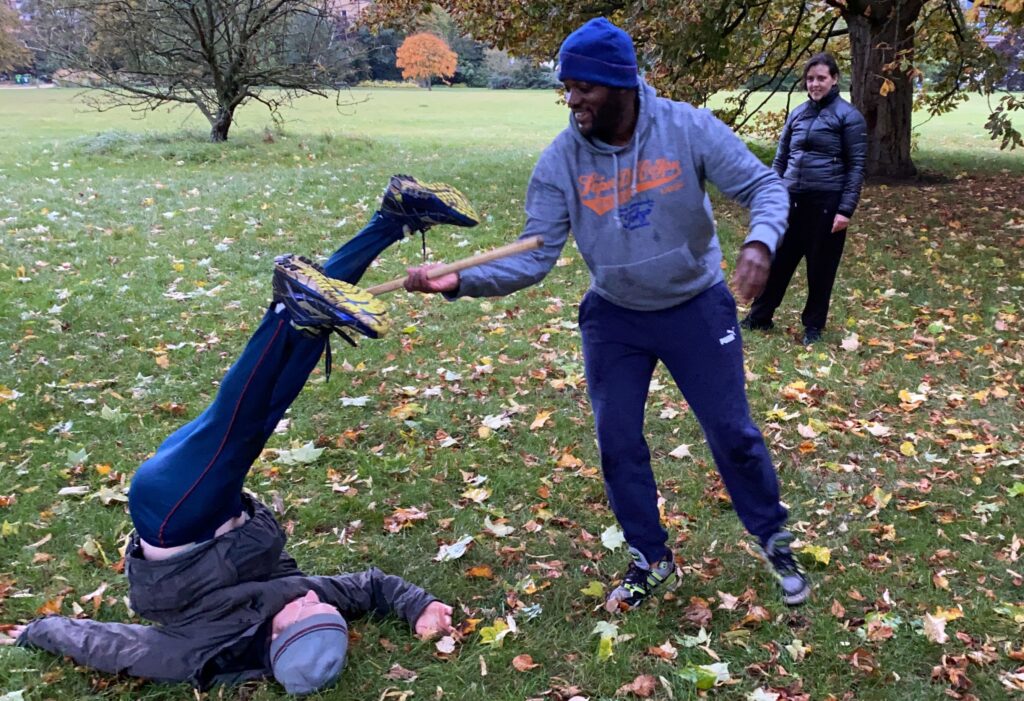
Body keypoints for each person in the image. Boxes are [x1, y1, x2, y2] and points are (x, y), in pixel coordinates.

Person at [0, 175, 480, 695]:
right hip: (215, 497)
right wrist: (419, 605)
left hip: (174, 515)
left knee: (242, 425)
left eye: (310, 612)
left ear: (280, 633)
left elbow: (114, 645)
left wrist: (37, 631)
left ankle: (290, 308)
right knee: (270, 400)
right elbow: (368, 587)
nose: (318, 600)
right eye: (325, 609)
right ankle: (393, 218)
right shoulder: (301, 598)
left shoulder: (201, 649)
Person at [403, 18, 810, 609]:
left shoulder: (686, 128)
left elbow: (765, 188)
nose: (573, 100)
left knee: (732, 433)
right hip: (616, 316)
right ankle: (651, 556)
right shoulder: (561, 161)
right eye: (567, 86)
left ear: (621, 83)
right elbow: (533, 257)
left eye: (585, 87)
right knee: (616, 440)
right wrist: (458, 280)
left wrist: (760, 243)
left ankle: (772, 534)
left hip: (696, 305)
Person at [741, 52, 868, 345]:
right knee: (778, 263)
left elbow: (856, 167)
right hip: (790, 201)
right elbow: (781, 158)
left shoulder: (849, 117)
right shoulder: (797, 113)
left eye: (821, 78)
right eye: (810, 79)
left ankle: (813, 327)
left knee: (820, 270)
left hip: (827, 204)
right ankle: (760, 317)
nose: (815, 84)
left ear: (834, 79)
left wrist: (845, 209)